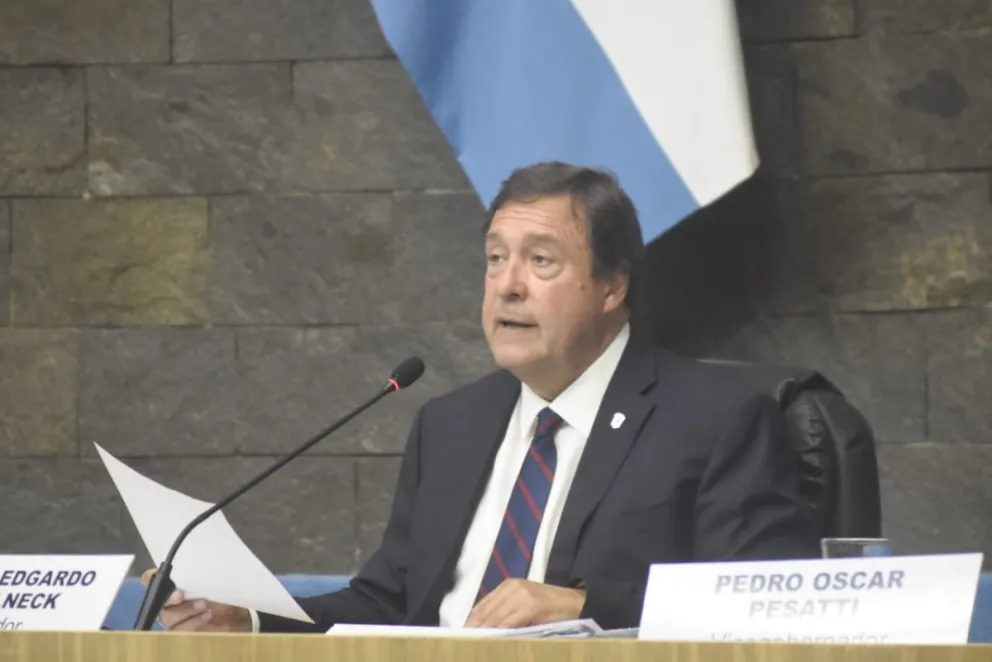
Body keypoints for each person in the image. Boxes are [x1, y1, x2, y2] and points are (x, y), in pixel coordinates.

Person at [154, 161, 819, 633]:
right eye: (496, 259)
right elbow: (389, 606)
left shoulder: (715, 416)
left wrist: (587, 607)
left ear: (612, 286)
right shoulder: (450, 426)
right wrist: (251, 623)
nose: (507, 286)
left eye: (540, 261)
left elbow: (757, 608)